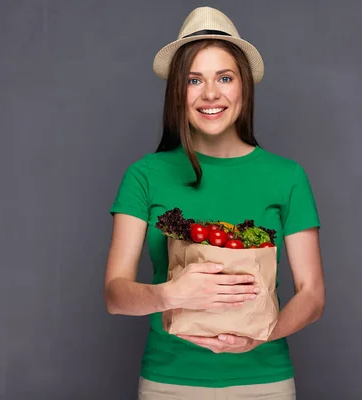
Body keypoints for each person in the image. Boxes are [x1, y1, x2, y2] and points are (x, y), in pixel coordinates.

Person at [104, 6, 325, 399]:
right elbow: (115, 296)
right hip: (169, 384)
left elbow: (312, 294)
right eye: (194, 80)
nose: (210, 94)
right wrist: (171, 294)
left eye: (225, 77)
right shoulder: (145, 175)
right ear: (177, 91)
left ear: (244, 87)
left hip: (265, 384)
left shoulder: (287, 176)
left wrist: (260, 337)